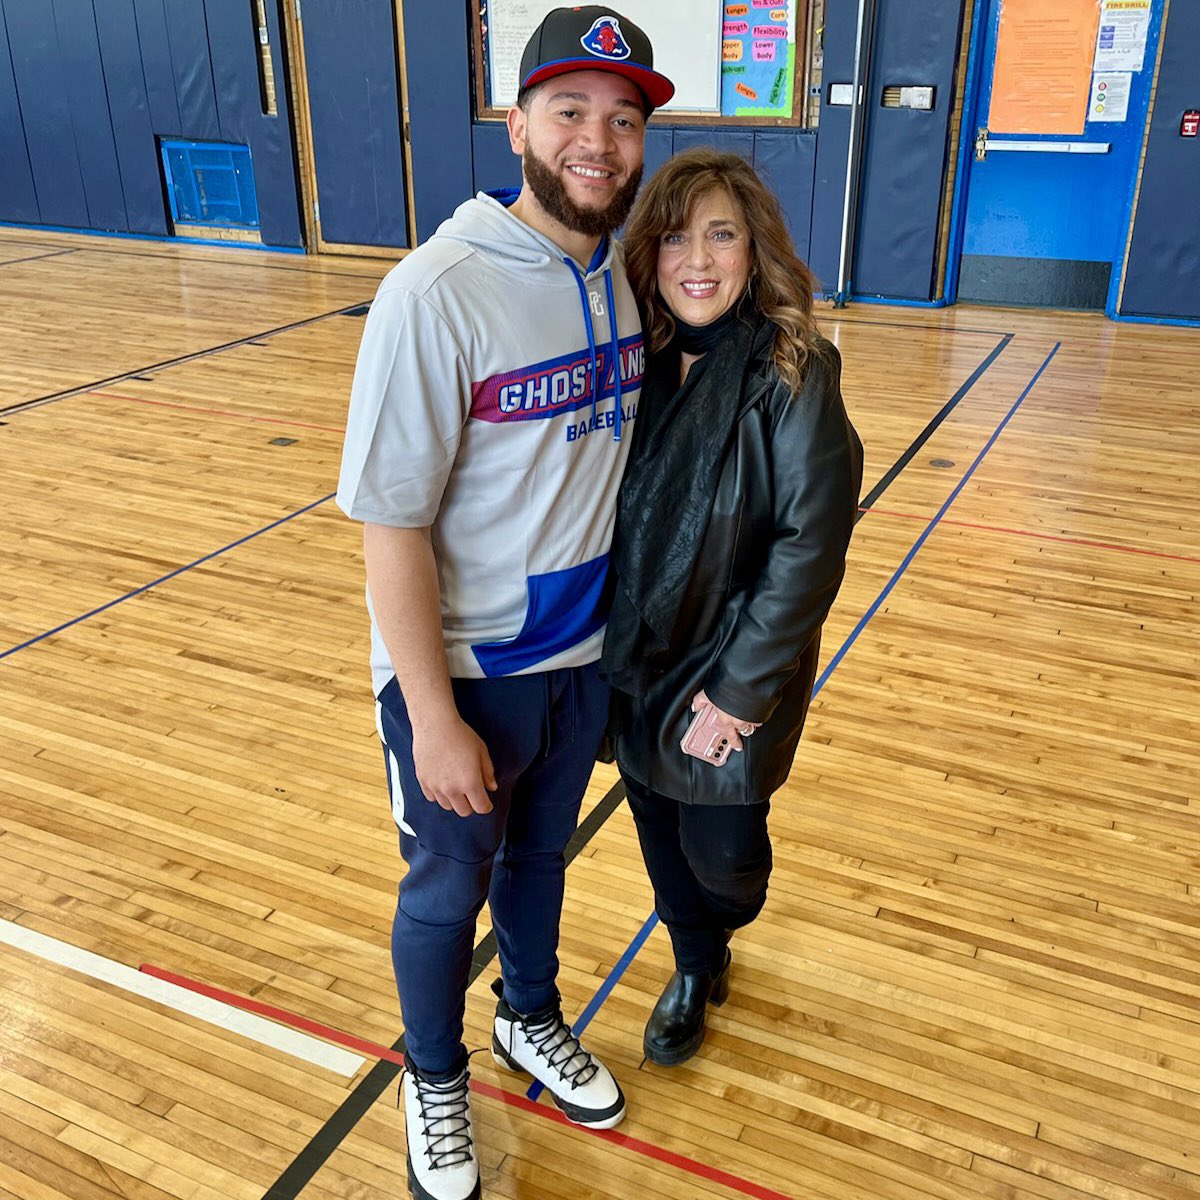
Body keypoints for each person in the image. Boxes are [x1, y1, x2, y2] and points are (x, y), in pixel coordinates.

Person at [336, 10, 673, 1200]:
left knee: (541, 861)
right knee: (448, 882)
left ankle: (531, 1016)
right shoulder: (437, 290)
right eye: (573, 112)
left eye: (625, 120)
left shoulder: (621, 281)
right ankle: (434, 1080)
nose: (600, 141)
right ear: (517, 122)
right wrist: (431, 716)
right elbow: (390, 522)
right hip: (466, 671)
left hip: (579, 658)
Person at [600, 149, 864, 1067]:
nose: (698, 260)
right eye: (676, 237)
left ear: (756, 252)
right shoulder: (631, 367)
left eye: (722, 234)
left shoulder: (796, 373)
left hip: (730, 666)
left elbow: (808, 550)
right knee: (656, 829)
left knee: (726, 861)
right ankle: (691, 962)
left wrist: (741, 694)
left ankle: (722, 924)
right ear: (652, 255)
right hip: (634, 658)